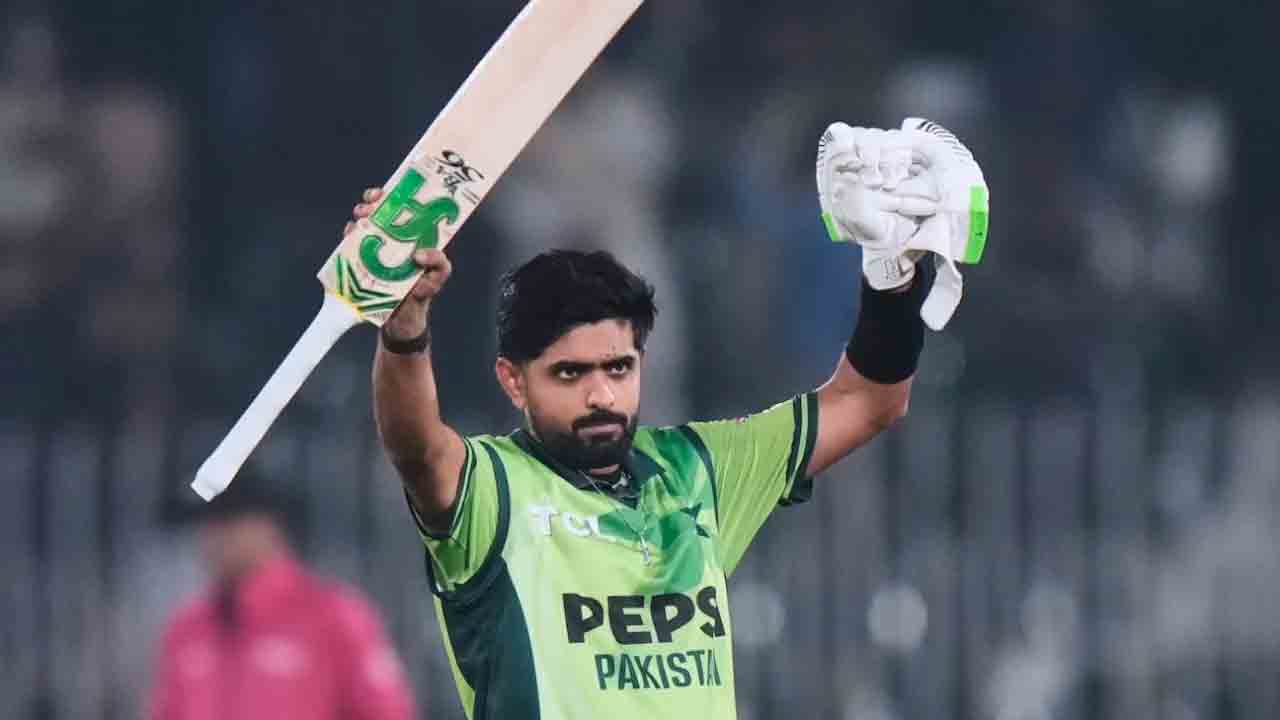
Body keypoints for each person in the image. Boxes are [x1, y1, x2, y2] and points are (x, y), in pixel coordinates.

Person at [352, 120, 985, 718]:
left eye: (618, 368)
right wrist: (404, 332)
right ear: (512, 380)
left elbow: (870, 401)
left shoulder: (697, 469)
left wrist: (891, 278)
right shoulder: (496, 488)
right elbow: (417, 449)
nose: (601, 395)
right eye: (570, 374)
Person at [149, 470, 417, 720]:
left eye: (225, 521)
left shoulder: (333, 617)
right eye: (204, 523)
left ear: (268, 525)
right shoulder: (187, 628)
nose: (211, 537)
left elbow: (386, 713)